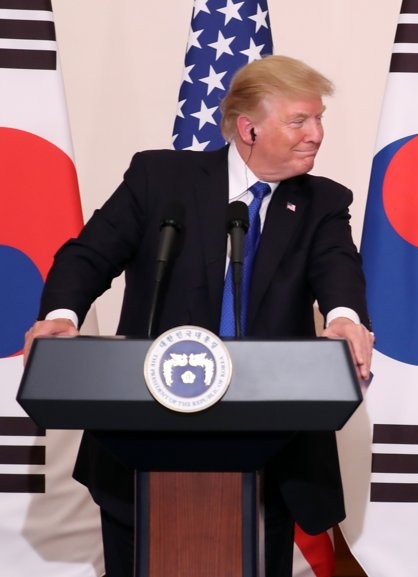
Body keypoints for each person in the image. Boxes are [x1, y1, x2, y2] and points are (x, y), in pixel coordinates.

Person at [23, 55, 373, 577]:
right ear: (249, 129)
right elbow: (88, 256)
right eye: (300, 120)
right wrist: (60, 313)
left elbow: (337, 266)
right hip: (142, 440)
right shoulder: (160, 179)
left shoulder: (322, 202)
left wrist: (344, 317)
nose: (316, 134)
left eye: (319, 118)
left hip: (271, 450)